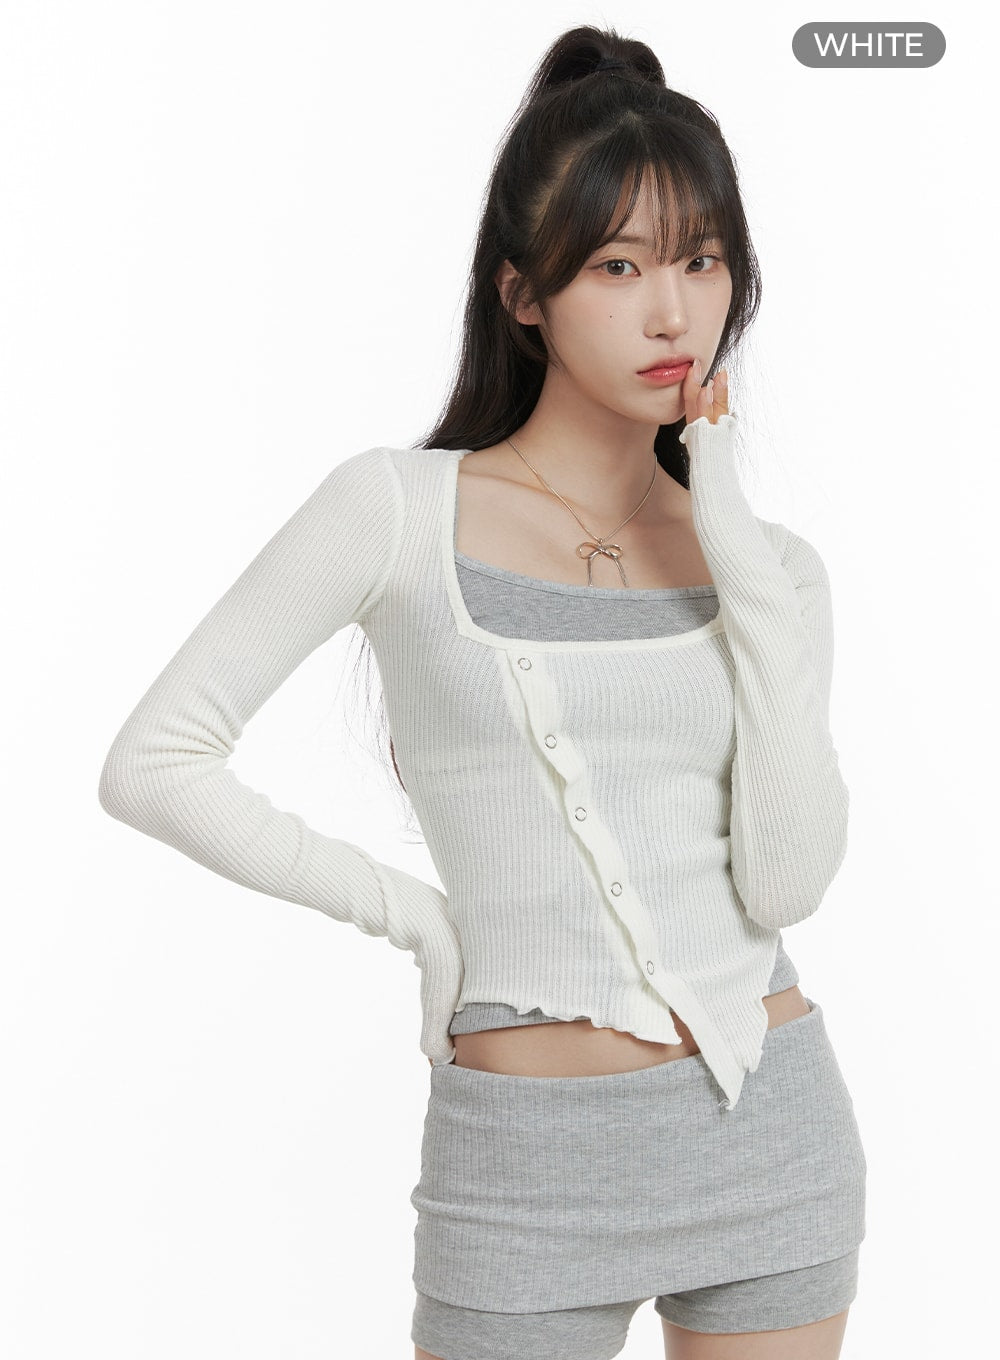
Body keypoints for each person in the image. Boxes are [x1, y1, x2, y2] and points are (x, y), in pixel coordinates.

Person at [98, 23, 868, 1360]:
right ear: (524, 294)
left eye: (701, 261)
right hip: (522, 1167)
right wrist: (415, 918)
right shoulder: (395, 512)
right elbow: (154, 761)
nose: (673, 312)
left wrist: (730, 521)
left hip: (770, 1141)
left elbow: (787, 883)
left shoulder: (775, 568)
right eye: (618, 266)